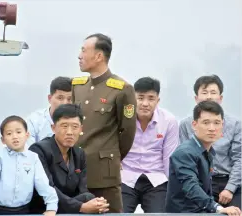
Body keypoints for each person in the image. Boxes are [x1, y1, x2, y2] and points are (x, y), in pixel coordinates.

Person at [72, 33, 136, 213]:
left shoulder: (122, 89)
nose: (79, 55)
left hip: (103, 173)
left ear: (99, 56)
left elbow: (128, 132)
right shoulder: (78, 86)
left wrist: (111, 157)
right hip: (76, 170)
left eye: (84, 50)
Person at [29, 104, 109, 214]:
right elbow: (48, 189)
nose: (70, 132)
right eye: (64, 126)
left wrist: (95, 203)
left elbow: (82, 190)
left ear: (81, 129)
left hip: (69, 207)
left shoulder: (79, 154)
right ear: (53, 128)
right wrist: (81, 207)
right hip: (45, 208)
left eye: (75, 127)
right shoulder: (39, 150)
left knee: (91, 199)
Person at [166, 101, 241, 215]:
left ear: (222, 125)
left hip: (201, 211)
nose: (212, 128)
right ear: (194, 125)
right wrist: (218, 208)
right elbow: (191, 187)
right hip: (184, 213)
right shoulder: (185, 152)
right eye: (206, 123)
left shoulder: (207, 151)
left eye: (217, 123)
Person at [0, 115, 58, 216]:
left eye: (19, 132)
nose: (15, 136)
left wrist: (51, 206)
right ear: (3, 140)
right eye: (9, 133)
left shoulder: (33, 158)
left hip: (24, 210)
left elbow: (43, 183)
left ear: (27, 135)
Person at [179, 75, 241, 208]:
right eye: (204, 92)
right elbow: (185, 160)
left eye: (213, 93)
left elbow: (239, 158)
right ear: (196, 98)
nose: (209, 97)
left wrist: (230, 188)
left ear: (220, 98)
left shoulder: (235, 124)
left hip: (229, 180)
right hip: (199, 181)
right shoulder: (185, 124)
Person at [121, 77, 179, 213]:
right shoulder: (122, 117)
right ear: (132, 99)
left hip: (156, 179)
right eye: (140, 98)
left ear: (158, 100)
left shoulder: (169, 121)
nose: (145, 103)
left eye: (151, 98)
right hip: (126, 177)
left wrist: (173, 189)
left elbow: (169, 158)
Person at [26, 76, 72, 145]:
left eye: (69, 99)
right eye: (60, 98)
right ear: (49, 98)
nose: (65, 103)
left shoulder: (78, 121)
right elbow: (28, 151)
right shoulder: (34, 121)